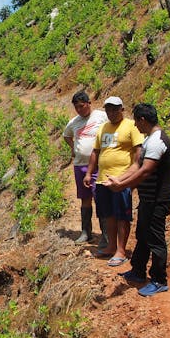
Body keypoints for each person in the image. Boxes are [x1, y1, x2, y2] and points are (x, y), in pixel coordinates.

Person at [102, 103, 170, 296]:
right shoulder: (149, 139)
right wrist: (120, 179)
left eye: (136, 121)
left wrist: (122, 187)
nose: (135, 126)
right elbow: (136, 166)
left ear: (143, 120)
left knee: (155, 239)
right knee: (142, 235)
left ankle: (159, 279)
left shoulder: (158, 140)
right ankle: (138, 271)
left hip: (158, 200)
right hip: (147, 198)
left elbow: (146, 171)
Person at [84, 96, 144, 267]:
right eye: (108, 109)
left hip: (121, 179)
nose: (111, 112)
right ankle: (111, 246)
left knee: (122, 216)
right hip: (103, 180)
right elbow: (96, 151)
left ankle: (121, 250)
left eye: (114, 109)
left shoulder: (131, 126)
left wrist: (131, 176)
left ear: (122, 109)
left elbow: (138, 151)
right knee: (108, 215)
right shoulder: (103, 128)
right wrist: (89, 173)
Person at [62, 90, 108, 245]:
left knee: (101, 199)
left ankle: (106, 235)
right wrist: (73, 147)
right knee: (85, 198)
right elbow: (66, 135)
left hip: (99, 165)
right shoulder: (74, 122)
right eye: (77, 108)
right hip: (80, 165)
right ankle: (86, 232)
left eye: (82, 106)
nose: (80, 110)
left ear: (89, 103)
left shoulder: (101, 116)